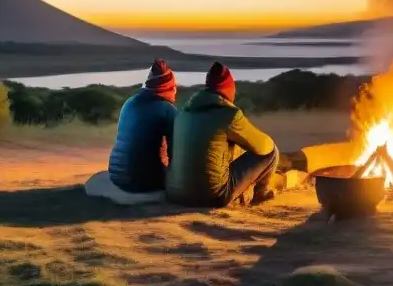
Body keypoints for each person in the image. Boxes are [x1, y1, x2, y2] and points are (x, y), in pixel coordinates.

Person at [165, 61, 280, 208]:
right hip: (213, 196)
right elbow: (264, 146)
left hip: (175, 194)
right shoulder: (229, 115)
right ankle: (260, 194)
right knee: (271, 152)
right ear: (228, 90)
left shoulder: (183, 114)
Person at [107, 58, 179, 193]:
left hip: (116, 175)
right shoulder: (167, 109)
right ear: (167, 86)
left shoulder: (129, 102)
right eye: (174, 86)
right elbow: (176, 152)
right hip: (143, 180)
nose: (175, 90)